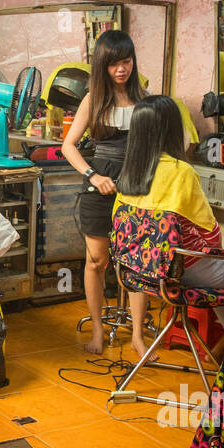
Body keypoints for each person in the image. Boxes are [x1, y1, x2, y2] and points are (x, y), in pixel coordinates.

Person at [114, 96, 224, 346]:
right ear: (171, 130)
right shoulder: (181, 172)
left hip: (140, 271)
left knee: (222, 290)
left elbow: (120, 230)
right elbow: (211, 234)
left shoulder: (128, 172)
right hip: (183, 269)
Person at [61, 29, 145, 354]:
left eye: (126, 62)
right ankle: (97, 330)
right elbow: (68, 146)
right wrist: (92, 175)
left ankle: (137, 335)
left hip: (135, 187)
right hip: (99, 185)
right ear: (102, 66)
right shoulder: (93, 100)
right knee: (97, 261)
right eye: (113, 64)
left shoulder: (144, 99)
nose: (121, 69)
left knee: (137, 262)